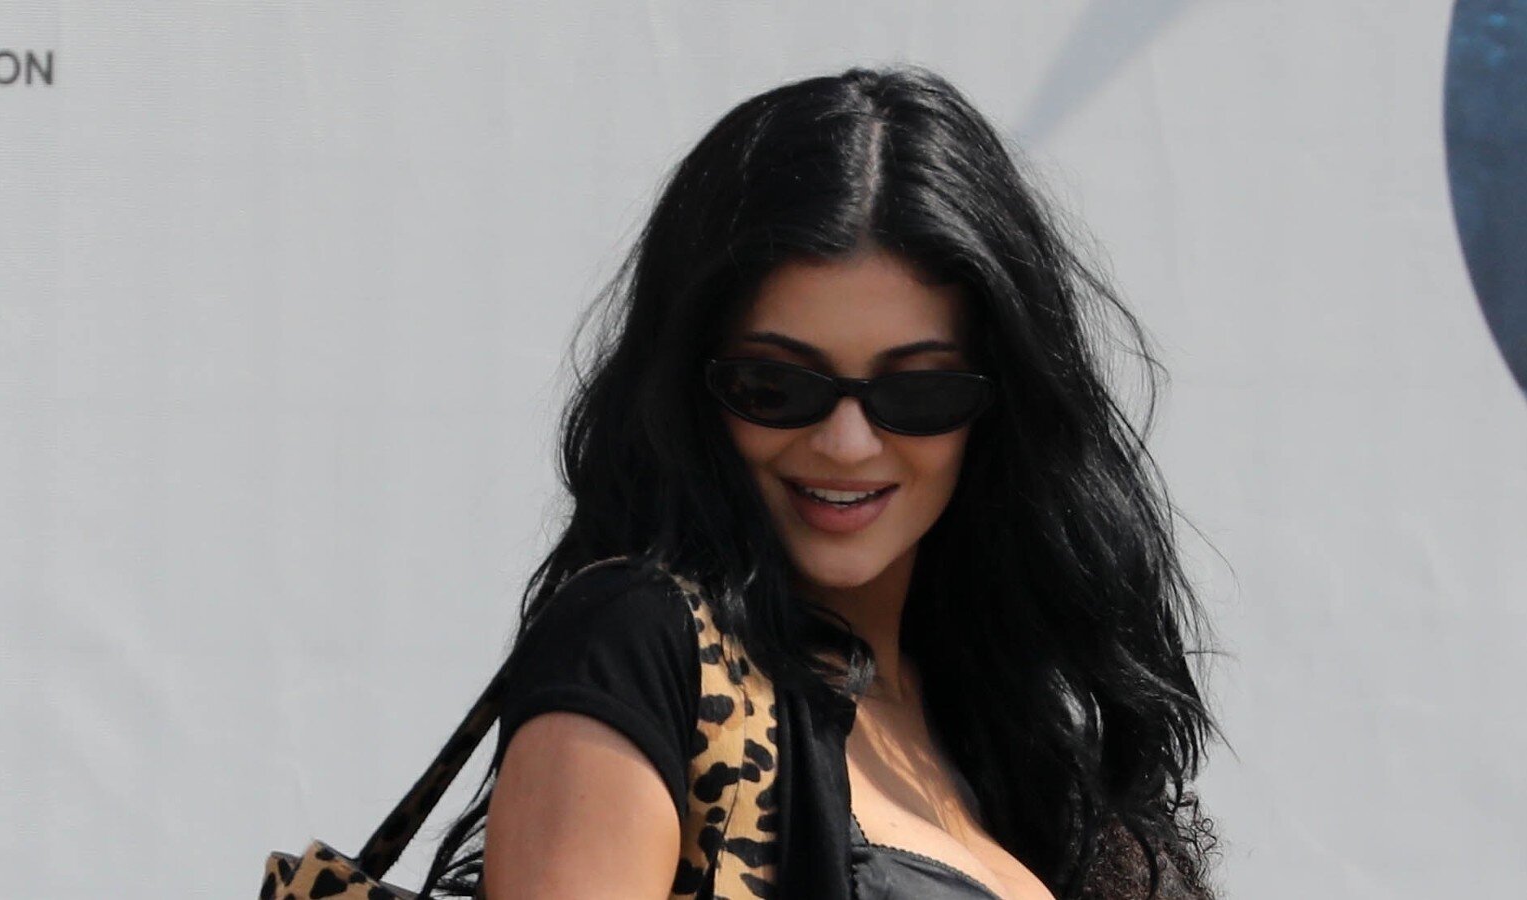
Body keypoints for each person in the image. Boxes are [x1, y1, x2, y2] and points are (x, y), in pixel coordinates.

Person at [416, 66, 1221, 899]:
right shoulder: (640, 648)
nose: (845, 443)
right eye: (774, 386)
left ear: (1000, 408)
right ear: (689, 390)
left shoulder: (1006, 729)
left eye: (916, 393)